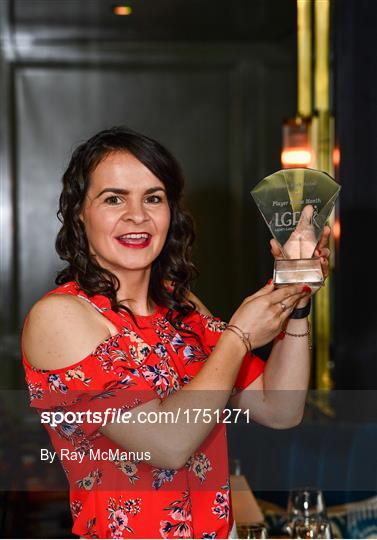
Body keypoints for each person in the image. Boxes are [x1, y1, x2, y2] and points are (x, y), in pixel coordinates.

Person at [22, 126, 330, 539]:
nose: (138, 215)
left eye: (153, 198)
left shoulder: (182, 308)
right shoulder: (60, 317)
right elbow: (168, 444)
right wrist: (238, 336)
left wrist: (297, 298)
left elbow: (280, 409)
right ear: (80, 212)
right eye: (114, 198)